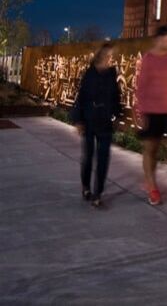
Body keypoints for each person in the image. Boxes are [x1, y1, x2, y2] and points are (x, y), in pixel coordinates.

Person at [134, 25, 167, 206]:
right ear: (159, 39)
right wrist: (140, 112)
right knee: (149, 148)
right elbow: (141, 87)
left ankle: (149, 181)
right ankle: (152, 187)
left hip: (165, 110)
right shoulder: (148, 59)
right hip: (149, 110)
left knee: (155, 149)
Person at [71, 43, 121, 209]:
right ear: (103, 57)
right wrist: (78, 120)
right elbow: (81, 97)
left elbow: (116, 97)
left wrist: (116, 114)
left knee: (103, 159)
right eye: (109, 56)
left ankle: (97, 193)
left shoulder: (112, 74)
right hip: (89, 120)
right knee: (88, 157)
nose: (111, 59)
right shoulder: (90, 74)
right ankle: (86, 186)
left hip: (105, 122)